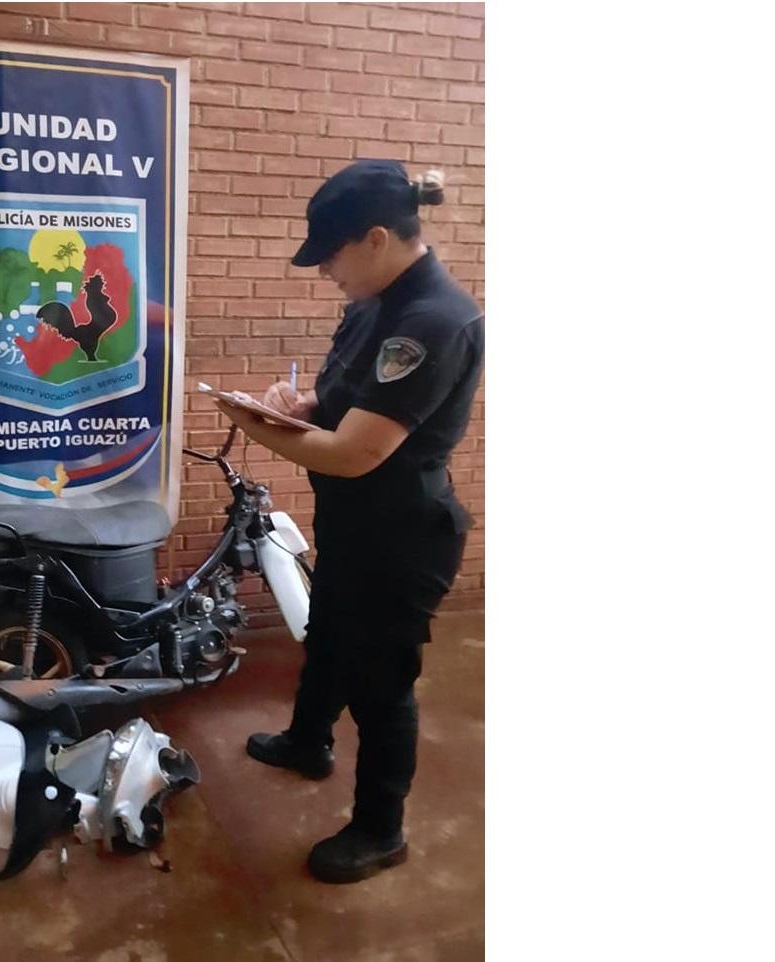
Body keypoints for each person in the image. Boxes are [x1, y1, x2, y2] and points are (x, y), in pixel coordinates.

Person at [214, 159, 484, 884]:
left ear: (373, 239)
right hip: (357, 524)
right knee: (329, 634)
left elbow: (356, 454)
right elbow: (342, 406)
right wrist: (296, 407)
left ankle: (380, 829)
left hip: (401, 535)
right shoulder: (373, 301)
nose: (327, 272)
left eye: (331, 256)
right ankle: (308, 743)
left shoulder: (432, 319)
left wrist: (252, 425)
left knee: (380, 683)